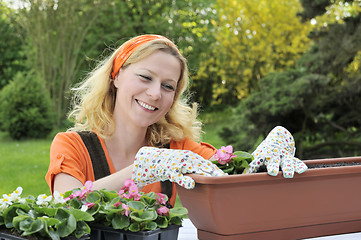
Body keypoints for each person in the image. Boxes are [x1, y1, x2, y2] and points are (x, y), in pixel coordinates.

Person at [46, 34, 307, 207]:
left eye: (168, 86)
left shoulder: (178, 150)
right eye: (146, 77)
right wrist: (141, 170)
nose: (155, 93)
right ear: (116, 76)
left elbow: (237, 182)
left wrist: (274, 148)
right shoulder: (72, 146)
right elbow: (65, 204)